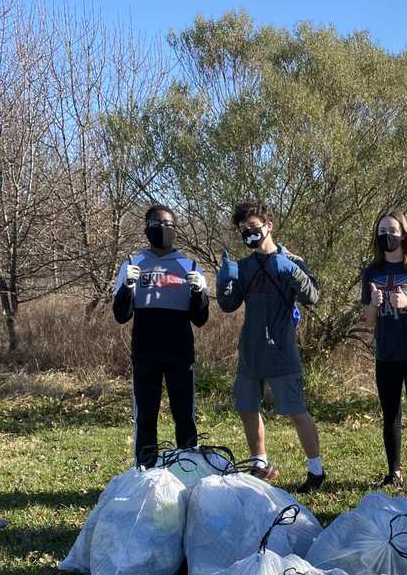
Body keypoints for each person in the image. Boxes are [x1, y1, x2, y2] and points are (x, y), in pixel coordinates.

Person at [216, 199, 325, 492]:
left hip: (281, 351)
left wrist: (292, 270)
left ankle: (316, 471)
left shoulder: (292, 261)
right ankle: (260, 465)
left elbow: (312, 296)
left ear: (268, 226)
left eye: (253, 227)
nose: (248, 233)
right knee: (247, 408)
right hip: (250, 352)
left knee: (295, 410)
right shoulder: (244, 266)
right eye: (243, 229)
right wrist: (223, 283)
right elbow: (229, 305)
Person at [113, 204, 209, 468]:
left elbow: (200, 319)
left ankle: (188, 470)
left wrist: (200, 292)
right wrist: (125, 287)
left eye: (167, 225)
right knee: (146, 417)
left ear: (175, 229)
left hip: (180, 353)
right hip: (145, 352)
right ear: (146, 229)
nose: (162, 230)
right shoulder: (133, 264)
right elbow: (121, 315)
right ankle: (145, 472)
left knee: (185, 417)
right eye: (156, 225)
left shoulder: (188, 265)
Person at [361, 209, 407, 489]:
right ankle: (394, 472)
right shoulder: (372, 272)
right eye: (382, 232)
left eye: (392, 231)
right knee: (390, 413)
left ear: (404, 235)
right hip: (386, 353)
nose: (387, 236)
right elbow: (368, 320)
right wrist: (375, 304)